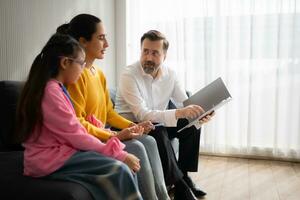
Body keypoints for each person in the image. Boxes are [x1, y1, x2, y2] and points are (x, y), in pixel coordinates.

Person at [14, 33, 142, 200]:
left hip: (57, 152)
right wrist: (120, 154)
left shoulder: (55, 88)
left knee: (120, 167)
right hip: (48, 159)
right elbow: (75, 134)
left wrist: (92, 124)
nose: (83, 70)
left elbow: (64, 126)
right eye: (81, 64)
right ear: (65, 62)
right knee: (121, 168)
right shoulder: (51, 91)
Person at [57, 14, 169, 200]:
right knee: (138, 147)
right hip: (89, 141)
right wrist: (114, 135)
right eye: (101, 38)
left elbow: (109, 112)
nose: (107, 44)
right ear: (83, 42)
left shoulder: (98, 74)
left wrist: (133, 126)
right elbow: (78, 124)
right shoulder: (76, 77)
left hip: (103, 135)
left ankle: (162, 196)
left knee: (149, 140)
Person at [115, 30, 215, 199]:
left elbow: (186, 103)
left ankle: (185, 176)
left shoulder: (171, 74)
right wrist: (179, 112)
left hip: (155, 124)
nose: (148, 57)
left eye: (155, 53)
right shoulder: (129, 74)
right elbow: (142, 114)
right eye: (145, 51)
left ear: (164, 56)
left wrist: (200, 114)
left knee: (191, 125)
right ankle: (180, 185)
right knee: (160, 130)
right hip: (131, 126)